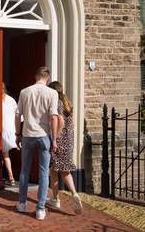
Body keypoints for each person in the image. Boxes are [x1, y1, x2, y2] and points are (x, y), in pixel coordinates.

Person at [14, 66, 58, 221]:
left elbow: (18, 114)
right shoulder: (52, 93)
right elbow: (53, 117)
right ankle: (40, 209)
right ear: (47, 78)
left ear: (35, 76)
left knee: (25, 171)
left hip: (27, 134)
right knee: (43, 172)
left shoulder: (25, 91)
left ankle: (22, 203)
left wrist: (17, 134)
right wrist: (54, 139)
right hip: (44, 135)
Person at [46, 81, 83, 214]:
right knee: (64, 169)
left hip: (59, 141)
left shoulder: (57, 103)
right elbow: (72, 124)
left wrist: (54, 138)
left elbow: (60, 122)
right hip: (69, 140)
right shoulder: (67, 102)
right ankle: (70, 195)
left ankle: (58, 198)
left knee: (55, 170)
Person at [2, 82, 18, 186]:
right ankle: (10, 177)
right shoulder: (11, 99)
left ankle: (10, 177)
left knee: (2, 155)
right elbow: (18, 114)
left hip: (1, 129)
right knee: (5, 155)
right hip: (11, 129)